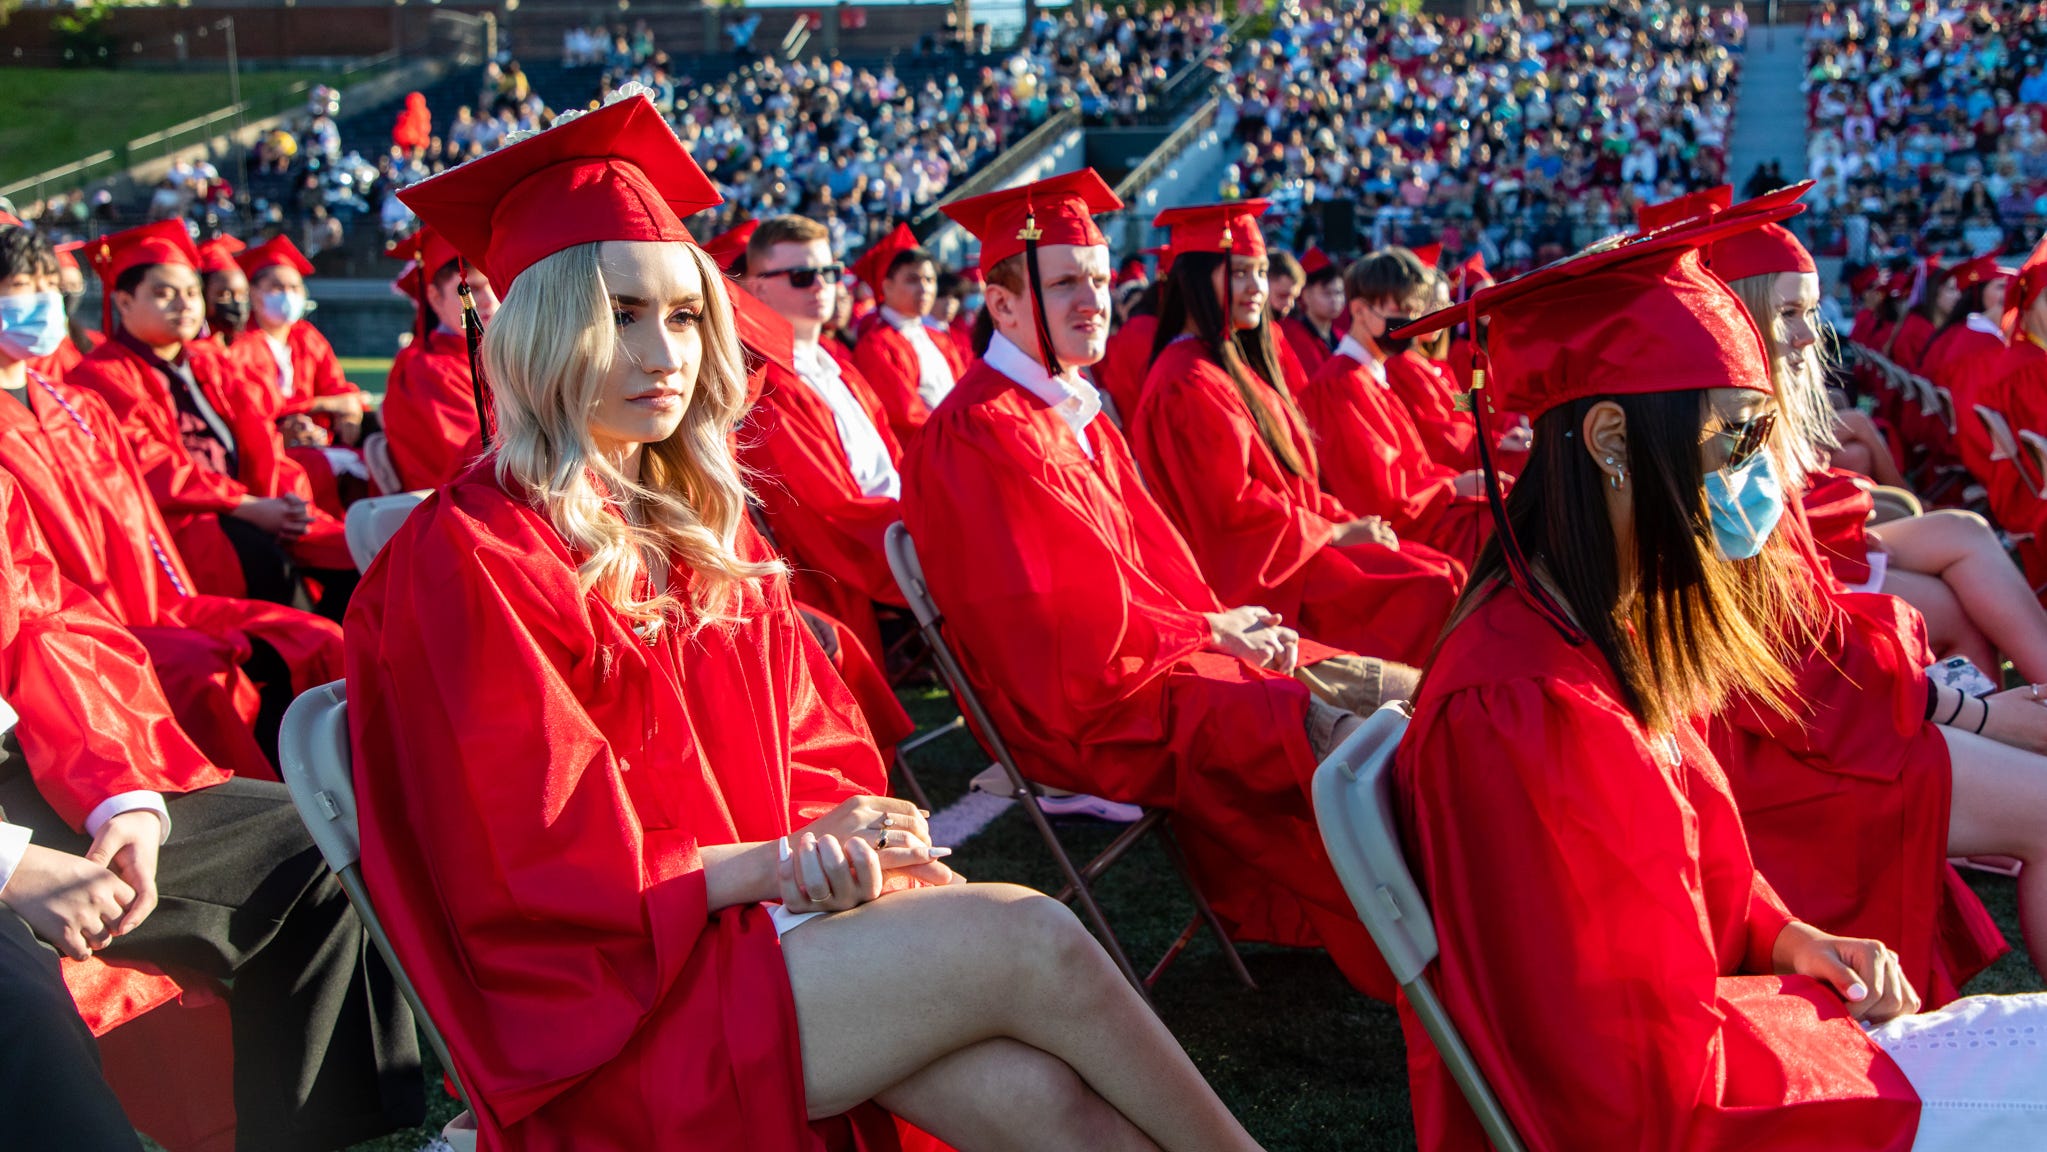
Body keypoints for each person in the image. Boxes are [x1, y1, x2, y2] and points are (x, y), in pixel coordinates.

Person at [354, 91, 1268, 1151]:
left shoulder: (698, 526)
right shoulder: (471, 557)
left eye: (685, 315)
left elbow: (812, 737)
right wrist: (774, 862)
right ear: (543, 328)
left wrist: (851, 831)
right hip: (615, 1006)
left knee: (1040, 1102)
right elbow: (535, 859)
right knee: (1033, 938)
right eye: (623, 314)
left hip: (770, 928)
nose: (666, 355)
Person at [1394, 200, 2047, 1152]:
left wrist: (1791, 938)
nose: (1757, 478)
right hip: (1731, 1108)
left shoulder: (1595, 632)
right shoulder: (1528, 705)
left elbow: (1702, 880)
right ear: (1610, 442)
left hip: (1749, 1055)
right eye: (1736, 436)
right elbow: (1630, 1088)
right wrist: (1831, 1055)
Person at [905, 168, 1408, 1001]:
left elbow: (1148, 561)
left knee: (1367, 683)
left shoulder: (1065, 408)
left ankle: (1422, 887)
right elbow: (1049, 622)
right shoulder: (980, 430)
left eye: (1099, 281)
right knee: (1319, 729)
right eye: (1064, 284)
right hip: (1084, 706)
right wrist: (1205, 634)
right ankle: (1413, 927)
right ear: (1001, 305)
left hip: (1147, 662)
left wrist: (1216, 621)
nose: (1092, 301)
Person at [0, 468, 423, 1151]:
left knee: (311, 852)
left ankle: (300, 1142)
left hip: (22, 765)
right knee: (23, 1015)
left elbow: (46, 620)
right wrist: (11, 865)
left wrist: (122, 799)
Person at [1702, 196, 2047, 998]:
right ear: (1739, 314)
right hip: (1778, 757)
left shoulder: (1744, 429)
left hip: (1812, 719)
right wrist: (1971, 713)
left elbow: (1808, 628)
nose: (1806, 335)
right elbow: (1790, 658)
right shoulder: (1727, 450)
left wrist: (1953, 704)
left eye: (1810, 312)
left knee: (1952, 582)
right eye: (1787, 313)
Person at [0, 220, 342, 778]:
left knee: (319, 638)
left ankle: (340, 794)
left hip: (150, 602)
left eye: (48, 287)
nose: (41, 303)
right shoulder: (99, 383)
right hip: (65, 636)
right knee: (204, 671)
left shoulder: (77, 408)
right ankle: (273, 811)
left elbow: (140, 526)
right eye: (20, 288)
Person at [1128, 201, 1464, 669]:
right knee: (1431, 588)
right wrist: (1335, 531)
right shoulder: (1184, 383)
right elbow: (1233, 513)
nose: (1257, 288)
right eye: (1240, 272)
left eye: (1261, 272)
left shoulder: (1228, 367)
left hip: (1295, 545)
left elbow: (1293, 485)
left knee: (1445, 572)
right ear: (1193, 280)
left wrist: (1343, 522)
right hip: (1265, 576)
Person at [66, 221, 357, 616]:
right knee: (288, 598)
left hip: (254, 508)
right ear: (124, 302)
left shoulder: (210, 363)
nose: (184, 305)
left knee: (362, 560)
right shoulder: (99, 377)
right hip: (184, 524)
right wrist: (244, 506)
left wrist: (284, 502)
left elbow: (262, 439)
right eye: (164, 294)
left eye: (191, 293)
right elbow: (151, 467)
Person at [737, 213, 912, 670]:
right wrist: (927, 530)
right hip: (863, 551)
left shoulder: (838, 366)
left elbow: (893, 460)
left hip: (901, 527)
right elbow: (830, 512)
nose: (821, 285)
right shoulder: (768, 388)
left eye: (829, 272)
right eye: (801, 276)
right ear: (757, 289)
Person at [1297, 250, 1494, 567]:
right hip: (1399, 525)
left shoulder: (1387, 372)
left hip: (1426, 501)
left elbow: (1425, 454)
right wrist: (1455, 482)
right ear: (1360, 310)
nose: (1414, 319)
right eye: (1400, 309)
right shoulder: (1342, 387)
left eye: (1415, 309)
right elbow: (1380, 496)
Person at [377, 226, 495, 492]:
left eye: (494, 284)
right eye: (470, 290)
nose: (489, 300)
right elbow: (472, 467)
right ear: (434, 297)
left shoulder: (496, 358)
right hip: (460, 505)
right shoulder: (426, 370)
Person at [851, 224, 967, 444]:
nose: (925, 289)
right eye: (912, 280)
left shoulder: (938, 338)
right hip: (925, 450)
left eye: (929, 280)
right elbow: (906, 416)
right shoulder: (877, 346)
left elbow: (965, 393)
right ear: (886, 286)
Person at [1276, 246, 1342, 377]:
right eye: (1327, 293)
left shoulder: (1341, 335)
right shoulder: (1291, 336)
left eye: (1339, 293)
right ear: (1306, 295)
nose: (1335, 300)